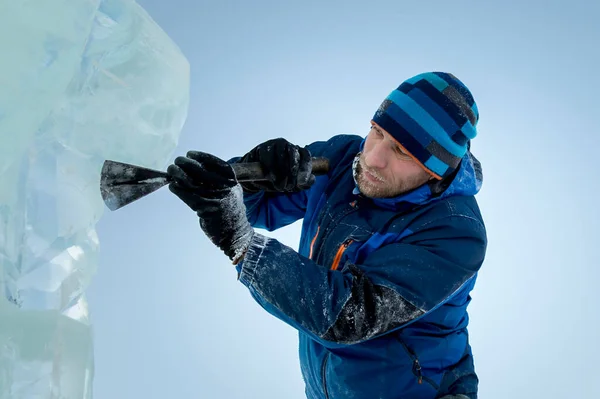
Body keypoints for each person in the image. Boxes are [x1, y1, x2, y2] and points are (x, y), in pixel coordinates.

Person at [167, 71, 487, 399]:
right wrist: (250, 177)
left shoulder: (455, 234)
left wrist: (240, 242)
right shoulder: (343, 158)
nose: (373, 158)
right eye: (377, 131)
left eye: (402, 151)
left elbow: (347, 317)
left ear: (436, 170)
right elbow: (260, 206)